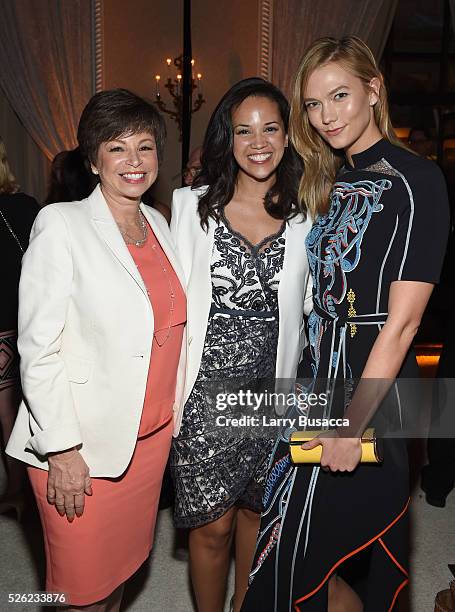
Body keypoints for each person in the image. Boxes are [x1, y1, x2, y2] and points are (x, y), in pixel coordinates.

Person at [241, 37, 449, 611]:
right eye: (312, 104)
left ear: (374, 89)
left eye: (339, 95)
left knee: (329, 556)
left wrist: (351, 426)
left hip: (372, 398)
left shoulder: (418, 181)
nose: (327, 115)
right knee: (284, 556)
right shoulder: (329, 179)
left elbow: (403, 324)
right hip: (316, 387)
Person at [6, 89, 187, 611]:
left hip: (148, 441)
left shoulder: (159, 223)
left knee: (121, 576)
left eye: (145, 146)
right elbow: (37, 348)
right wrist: (61, 450)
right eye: (117, 147)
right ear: (92, 160)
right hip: (79, 446)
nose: (134, 161)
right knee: (79, 594)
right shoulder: (61, 224)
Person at [170, 77, 312, 612]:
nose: (258, 141)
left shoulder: (306, 216)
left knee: (257, 514)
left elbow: (311, 312)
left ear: (287, 135)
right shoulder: (189, 206)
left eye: (271, 128)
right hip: (205, 394)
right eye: (244, 130)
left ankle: (246, 604)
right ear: (226, 139)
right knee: (211, 528)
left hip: (272, 395)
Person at [0, 137, 40, 519]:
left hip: (9, 322)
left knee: (8, 409)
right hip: (19, 319)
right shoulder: (26, 206)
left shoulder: (23, 207)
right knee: (11, 407)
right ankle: (17, 488)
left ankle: (16, 489)